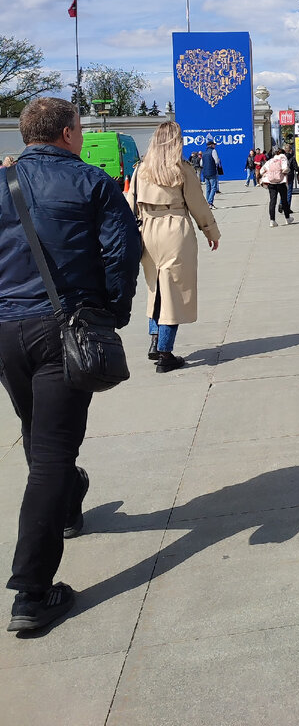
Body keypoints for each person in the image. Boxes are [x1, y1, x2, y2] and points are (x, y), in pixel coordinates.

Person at [0, 97, 142, 633]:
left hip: (7, 328)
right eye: (79, 127)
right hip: (63, 326)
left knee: (37, 433)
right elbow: (121, 253)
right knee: (51, 454)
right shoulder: (92, 182)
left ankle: (68, 499)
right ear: (66, 133)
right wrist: (113, 312)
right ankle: (32, 592)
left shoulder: (4, 179)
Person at [126, 121, 220, 371]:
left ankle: (155, 340)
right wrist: (211, 231)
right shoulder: (181, 169)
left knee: (155, 288)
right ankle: (165, 353)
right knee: (174, 292)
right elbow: (198, 203)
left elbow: (129, 204)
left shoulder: (140, 170)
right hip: (175, 228)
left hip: (147, 228)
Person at [259, 148, 294, 227]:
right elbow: (286, 169)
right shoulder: (283, 159)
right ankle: (287, 218)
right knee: (284, 200)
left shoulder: (269, 161)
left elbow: (261, 171)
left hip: (271, 183)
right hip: (281, 182)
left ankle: (272, 221)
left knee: (272, 201)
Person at [199, 139, 221, 206]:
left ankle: (207, 202)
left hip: (205, 172)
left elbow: (201, 164)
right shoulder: (213, 151)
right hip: (212, 171)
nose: (215, 146)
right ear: (211, 145)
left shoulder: (204, 153)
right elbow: (216, 161)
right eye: (214, 145)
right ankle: (210, 202)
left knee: (208, 188)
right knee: (214, 187)